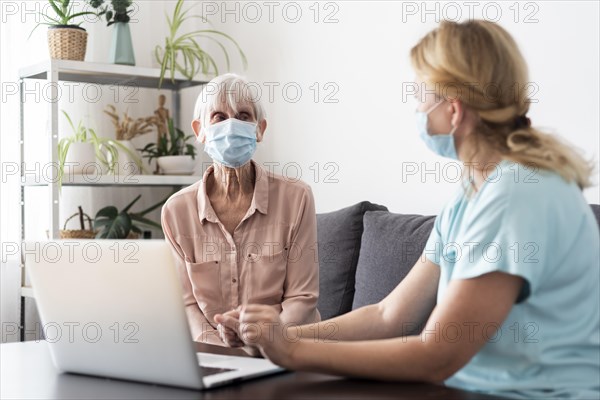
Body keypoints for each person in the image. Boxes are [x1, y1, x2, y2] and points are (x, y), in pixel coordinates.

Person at [215, 20, 600, 398]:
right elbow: (391, 315)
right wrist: (274, 338)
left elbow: (438, 355)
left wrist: (292, 352)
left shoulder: (517, 193)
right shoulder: (471, 197)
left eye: (420, 97)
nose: (416, 110)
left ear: (453, 110)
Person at [161, 73, 321, 349]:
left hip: (287, 348)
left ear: (260, 129)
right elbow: (186, 305)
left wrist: (263, 341)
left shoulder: (297, 198)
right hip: (214, 352)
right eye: (219, 117)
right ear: (200, 130)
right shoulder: (176, 211)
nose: (232, 125)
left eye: (244, 116)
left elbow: (301, 298)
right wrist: (221, 349)